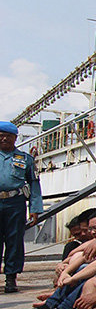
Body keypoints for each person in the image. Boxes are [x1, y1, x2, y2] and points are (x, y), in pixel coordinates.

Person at [0, 121, 41, 293]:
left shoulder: (25, 159)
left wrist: (35, 208)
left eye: (8, 136)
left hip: (15, 204)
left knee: (14, 241)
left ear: (15, 138)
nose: (4, 138)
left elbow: (34, 184)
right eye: (1, 135)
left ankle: (11, 278)